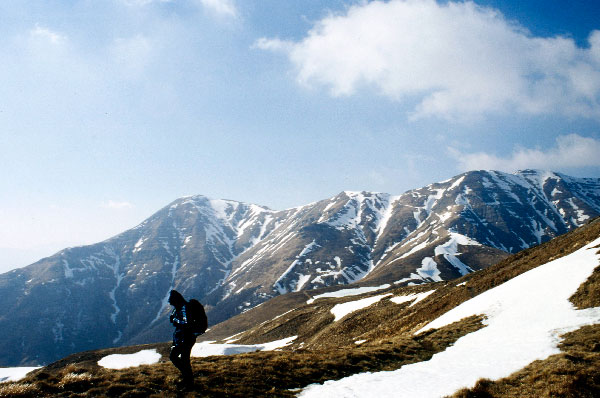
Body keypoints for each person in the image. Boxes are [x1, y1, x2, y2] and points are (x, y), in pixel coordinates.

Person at [168, 289, 196, 388]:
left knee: (177, 358)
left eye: (170, 299)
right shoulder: (178, 308)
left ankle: (188, 381)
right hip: (182, 337)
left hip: (186, 338)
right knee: (182, 359)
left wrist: (175, 320)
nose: (169, 301)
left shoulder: (184, 308)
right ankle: (188, 380)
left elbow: (187, 323)